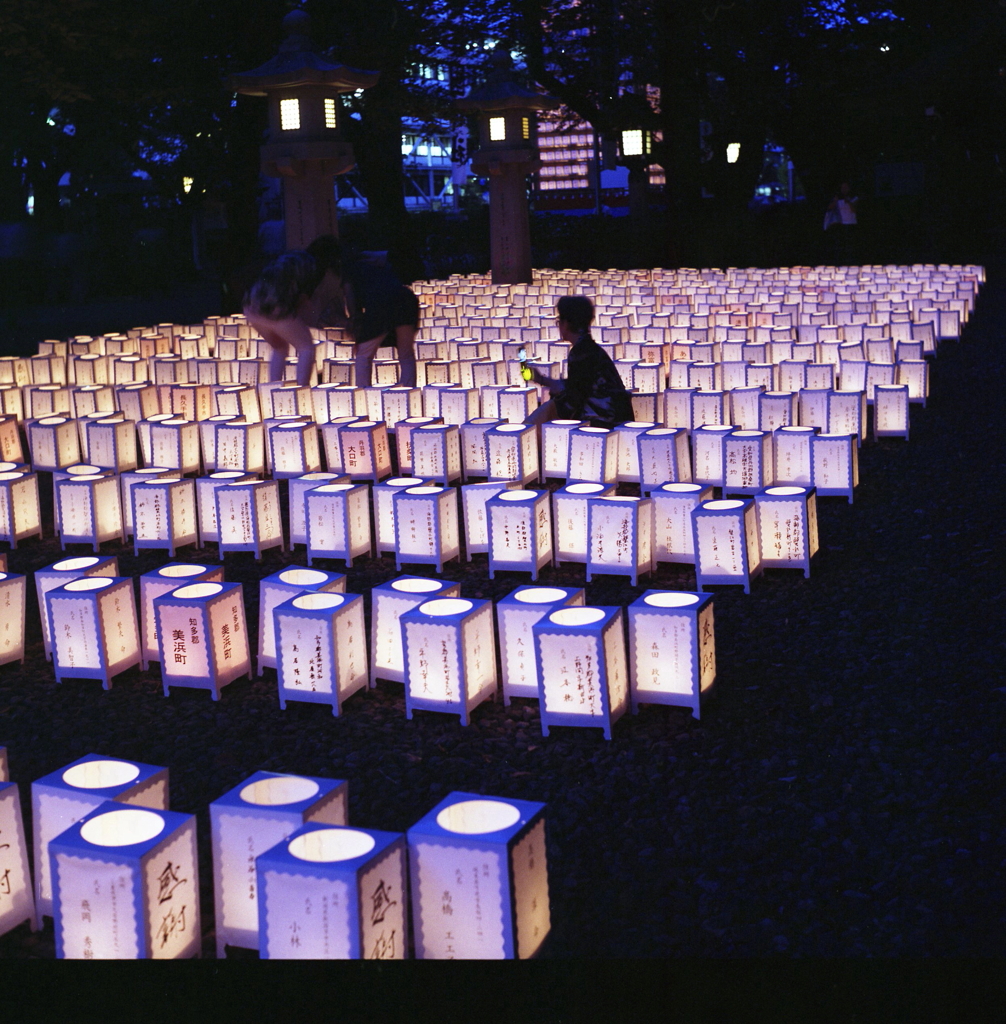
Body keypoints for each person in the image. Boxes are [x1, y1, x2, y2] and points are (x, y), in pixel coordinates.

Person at [306, 235, 420, 389]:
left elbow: (350, 295)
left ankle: (364, 395)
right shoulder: (365, 262)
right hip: (406, 298)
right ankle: (408, 392)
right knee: (406, 353)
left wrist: (356, 319)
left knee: (363, 355)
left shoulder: (347, 269)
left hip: (383, 303)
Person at [524, 295, 634, 429]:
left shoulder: (581, 353)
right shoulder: (590, 349)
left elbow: (574, 399)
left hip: (603, 422)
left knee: (541, 421)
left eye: (559, 321)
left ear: (566, 323)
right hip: (615, 417)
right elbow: (577, 386)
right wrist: (541, 379)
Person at [242, 250, 322, 387]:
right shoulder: (310, 266)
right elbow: (304, 300)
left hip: (251, 306)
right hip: (276, 306)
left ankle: (273, 389)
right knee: (306, 348)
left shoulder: (288, 259)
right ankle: (302, 389)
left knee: (279, 348)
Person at [824, 182, 858, 264]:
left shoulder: (854, 198)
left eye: (846, 187)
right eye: (842, 187)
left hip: (851, 223)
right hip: (840, 224)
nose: (844, 189)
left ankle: (851, 262)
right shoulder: (837, 198)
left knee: (850, 245)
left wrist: (849, 202)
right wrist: (835, 201)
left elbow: (854, 210)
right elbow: (829, 208)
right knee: (841, 244)